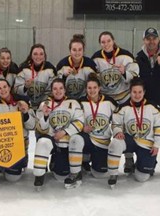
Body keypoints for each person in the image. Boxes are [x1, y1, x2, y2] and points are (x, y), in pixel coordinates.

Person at [92, 31, 139, 174]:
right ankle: (101, 155)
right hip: (107, 99)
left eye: (108, 41)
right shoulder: (96, 58)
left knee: (124, 127)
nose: (106, 44)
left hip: (124, 97)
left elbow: (135, 75)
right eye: (103, 42)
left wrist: (125, 72)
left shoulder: (125, 55)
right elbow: (93, 78)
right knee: (103, 125)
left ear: (113, 41)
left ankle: (129, 158)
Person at [64, 74, 118, 189]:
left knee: (99, 174)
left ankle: (87, 159)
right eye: (89, 88)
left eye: (94, 87)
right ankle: (75, 173)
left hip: (103, 143)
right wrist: (82, 128)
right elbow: (72, 119)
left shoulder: (109, 102)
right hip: (87, 139)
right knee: (75, 138)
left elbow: (119, 118)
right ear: (85, 89)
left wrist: (117, 130)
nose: (92, 90)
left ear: (99, 88)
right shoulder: (80, 102)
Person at [107, 78, 159, 188]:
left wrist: (156, 145)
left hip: (147, 143)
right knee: (115, 142)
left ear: (144, 92)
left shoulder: (153, 107)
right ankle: (113, 175)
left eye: (140, 92)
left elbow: (158, 127)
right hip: (130, 140)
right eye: (134, 92)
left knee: (141, 178)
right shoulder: (123, 108)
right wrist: (118, 132)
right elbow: (116, 124)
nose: (137, 95)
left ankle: (146, 164)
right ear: (130, 92)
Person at [33, 78, 84, 190]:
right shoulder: (44, 104)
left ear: (65, 90)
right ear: (51, 91)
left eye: (61, 88)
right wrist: (45, 116)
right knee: (42, 142)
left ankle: (73, 171)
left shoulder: (73, 103)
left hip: (67, 144)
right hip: (52, 141)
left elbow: (80, 122)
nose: (58, 91)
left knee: (60, 176)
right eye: (55, 89)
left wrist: (65, 131)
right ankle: (39, 175)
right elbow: (40, 129)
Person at [14, 44, 56, 110]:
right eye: (35, 54)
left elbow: (53, 90)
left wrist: (44, 102)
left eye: (41, 54)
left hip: (44, 104)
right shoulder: (23, 68)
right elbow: (16, 90)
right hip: (27, 104)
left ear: (44, 56)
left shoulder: (50, 68)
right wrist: (25, 87)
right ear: (31, 55)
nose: (38, 56)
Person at [57, 34, 97, 99]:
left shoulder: (90, 64)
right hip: (66, 100)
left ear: (83, 51)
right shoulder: (62, 64)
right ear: (70, 51)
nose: (77, 52)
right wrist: (63, 76)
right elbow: (56, 88)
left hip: (84, 100)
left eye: (80, 49)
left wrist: (92, 77)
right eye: (74, 50)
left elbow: (95, 85)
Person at [136, 27, 160, 106]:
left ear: (158, 39)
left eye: (154, 38)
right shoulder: (138, 59)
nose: (151, 41)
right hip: (145, 104)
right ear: (144, 40)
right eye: (148, 39)